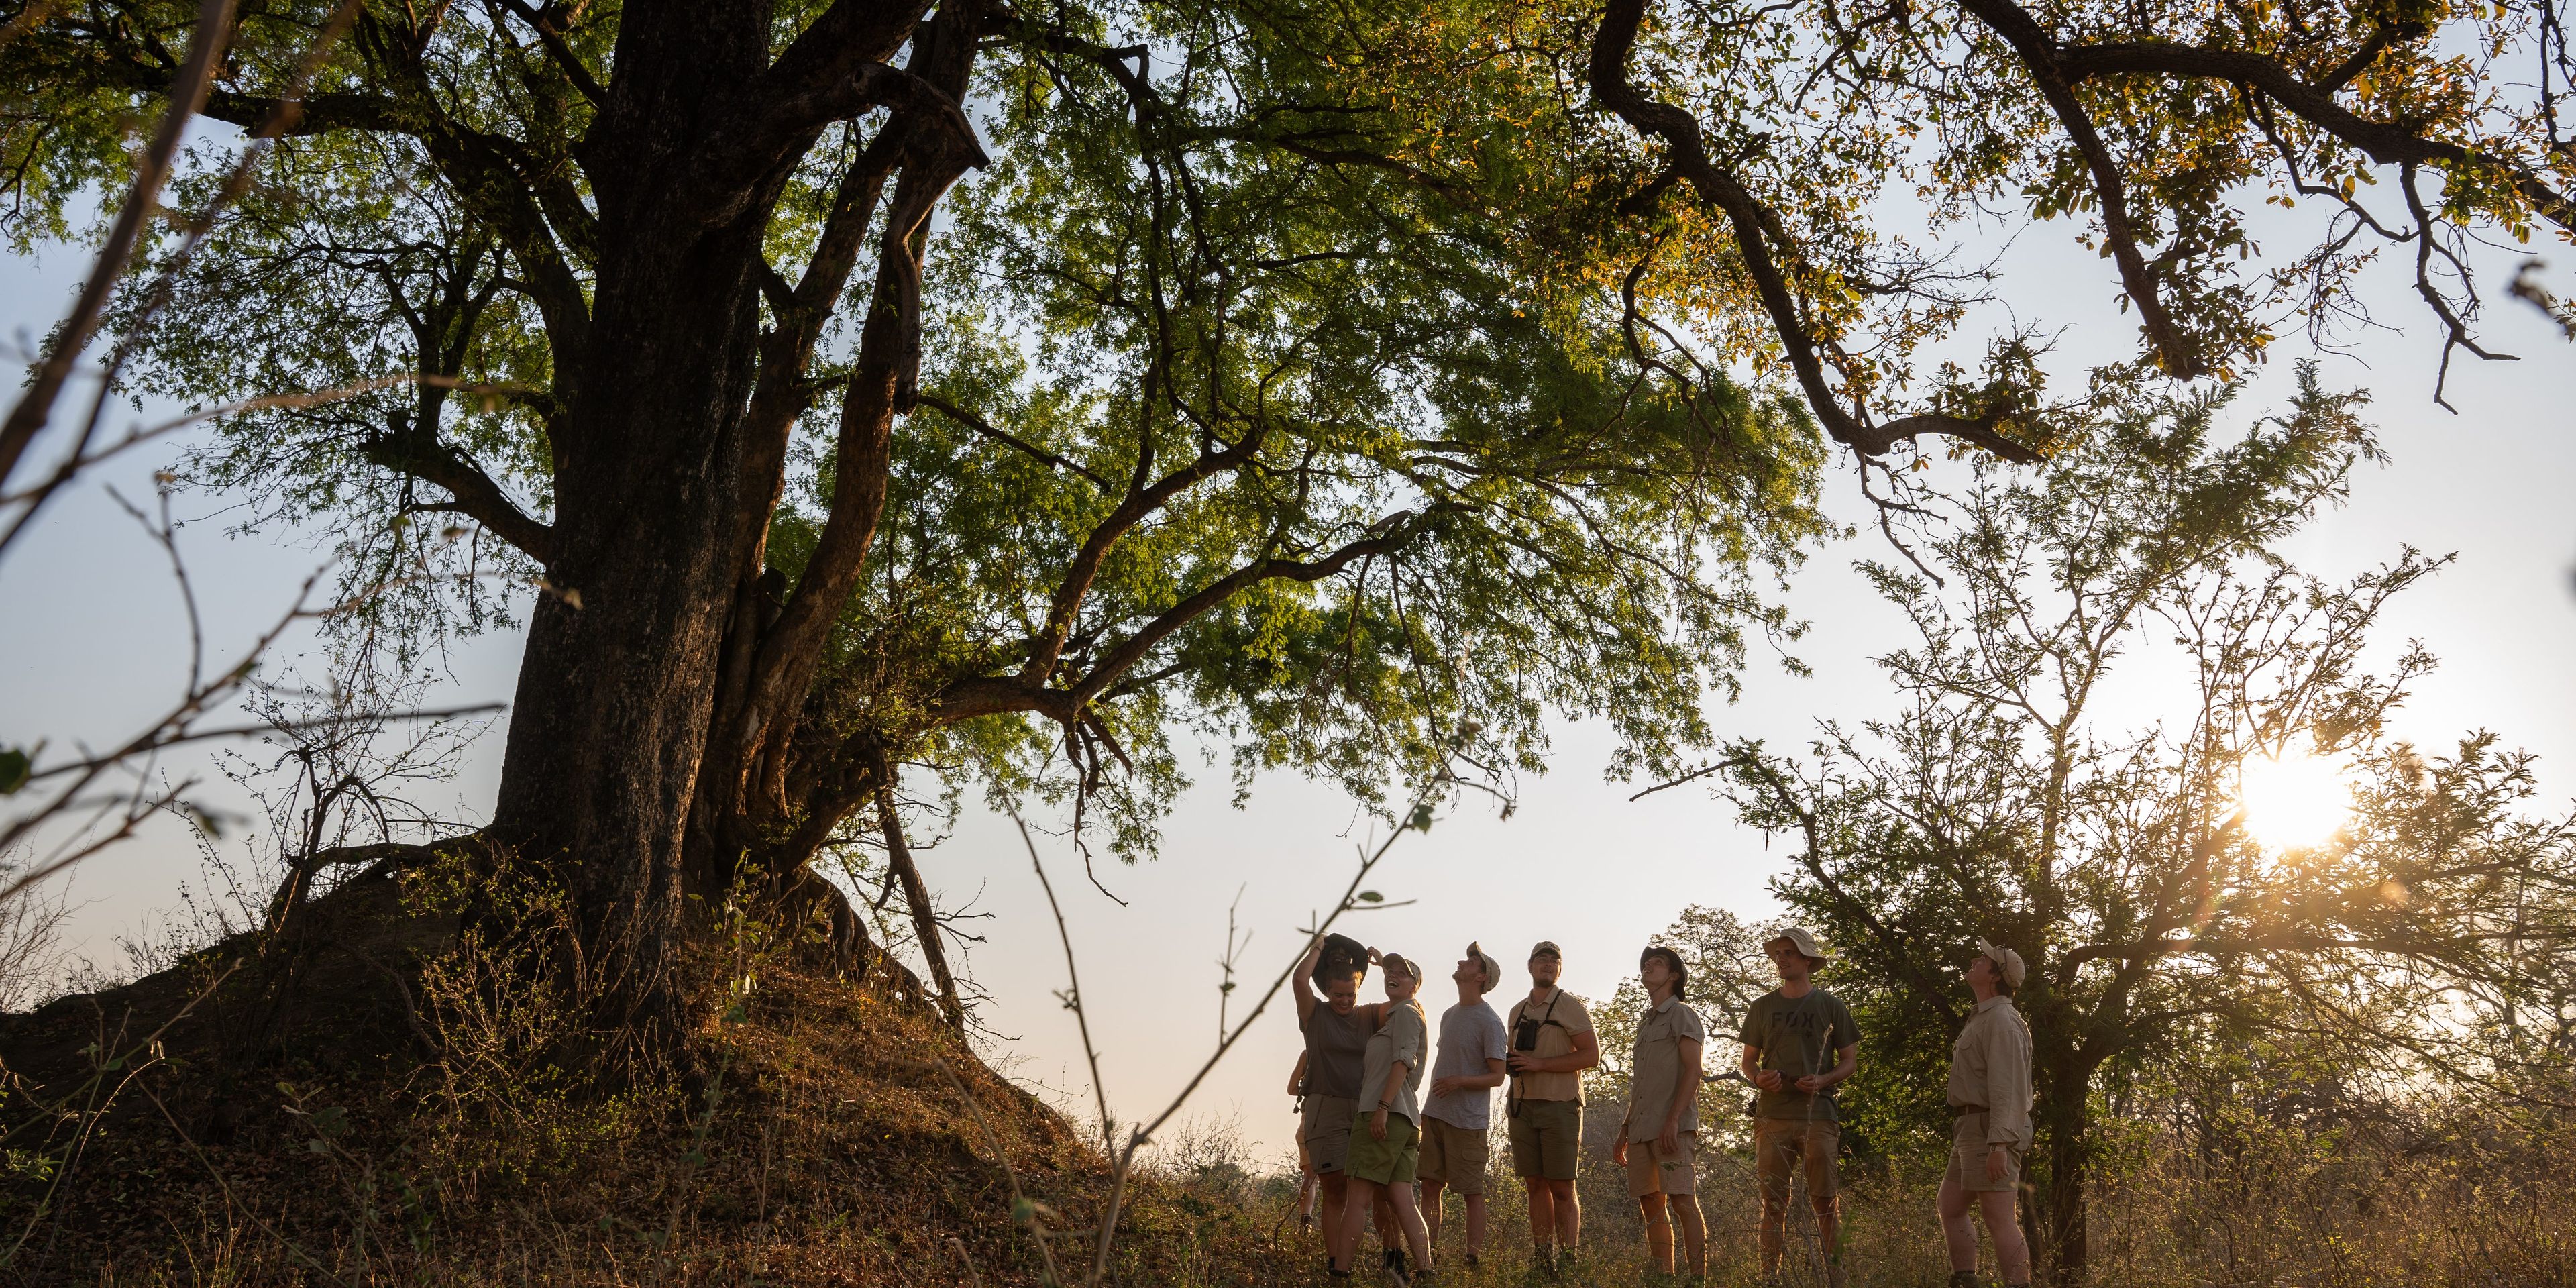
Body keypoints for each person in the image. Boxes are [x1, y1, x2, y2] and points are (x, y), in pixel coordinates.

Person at [1740, 927, 1862, 1288]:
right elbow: (1748, 1062)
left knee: (1826, 1203)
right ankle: (1769, 1279)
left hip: (1818, 1115)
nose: (1781, 958)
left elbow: (1850, 1062)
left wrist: (1823, 1081)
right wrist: (1759, 1078)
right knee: (1773, 1203)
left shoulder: (1831, 1006)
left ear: (1808, 960)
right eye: (1778, 953)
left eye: (1789, 953)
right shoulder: (1761, 1007)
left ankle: (1837, 1278)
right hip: (1772, 1116)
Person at [1941, 938, 2035, 1288]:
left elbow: (2008, 1089)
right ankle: (1965, 1280)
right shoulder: (1983, 1016)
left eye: (1984, 959)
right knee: (1950, 1206)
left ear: (1996, 976)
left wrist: (1999, 1145)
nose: (1976, 960)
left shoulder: (2003, 1021)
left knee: (1999, 1218)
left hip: (1989, 1130)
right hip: (1970, 1128)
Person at [1336, 951, 1434, 1283]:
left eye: (1402, 973)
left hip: (1385, 1115)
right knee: (1403, 1200)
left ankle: (1339, 1274)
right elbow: (1398, 984)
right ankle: (1427, 1273)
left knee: (1357, 1199)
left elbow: (1403, 1061)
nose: (1393, 975)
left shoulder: (1406, 1012)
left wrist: (1382, 1106)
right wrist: (1383, 964)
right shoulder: (1402, 1014)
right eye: (1390, 972)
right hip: (1404, 1120)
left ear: (1415, 986)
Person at [1613, 945, 1709, 1279]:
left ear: (1673, 976)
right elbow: (1643, 1084)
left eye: (1657, 962)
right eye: (1646, 962)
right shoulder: (1646, 1022)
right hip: (1641, 1130)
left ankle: (1698, 1281)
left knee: (1682, 1201)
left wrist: (1673, 1121)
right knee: (1651, 1205)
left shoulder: (1682, 1013)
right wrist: (1625, 1129)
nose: (1648, 965)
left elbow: (1694, 1070)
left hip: (1673, 1128)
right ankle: (1664, 1280)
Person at [1504, 940, 1598, 1275]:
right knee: (1535, 1184)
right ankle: (1543, 1262)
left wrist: (1540, 1064)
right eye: (1541, 959)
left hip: (1560, 1105)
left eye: (1554, 961)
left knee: (1561, 1187)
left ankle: (1569, 1263)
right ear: (1530, 966)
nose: (1547, 965)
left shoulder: (1570, 1006)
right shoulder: (1516, 1011)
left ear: (1560, 969)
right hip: (1522, 1106)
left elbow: (1591, 1055)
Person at [1297, 936, 1390, 1271]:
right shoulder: (1314, 1013)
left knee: (1369, 1190)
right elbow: (1299, 981)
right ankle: (1336, 1264)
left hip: (1364, 1110)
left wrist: (1386, 966)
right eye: (1338, 995)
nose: (1345, 1001)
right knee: (1335, 1189)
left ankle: (1376, 1261)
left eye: (1351, 994)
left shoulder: (1368, 1015)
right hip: (1326, 1109)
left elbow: (1406, 1003)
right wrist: (1318, 947)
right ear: (1326, 990)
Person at [1419, 943, 1508, 1269]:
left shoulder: (1490, 1021)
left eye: (1471, 961)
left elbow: (1498, 1076)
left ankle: (1473, 1261)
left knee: (1471, 1192)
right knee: (1430, 1186)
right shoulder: (1448, 1014)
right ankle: (1427, 1255)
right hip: (1434, 1113)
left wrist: (1459, 1081)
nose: (1462, 962)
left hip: (1468, 1121)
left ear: (1481, 977)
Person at [1289, 1052, 1320, 1233]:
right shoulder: (1347, 1047)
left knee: (1310, 1176)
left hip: (1307, 1121)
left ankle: (1305, 1221)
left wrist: (1308, 1087)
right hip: (1336, 1120)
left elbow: (1291, 1089)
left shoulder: (1309, 1053)